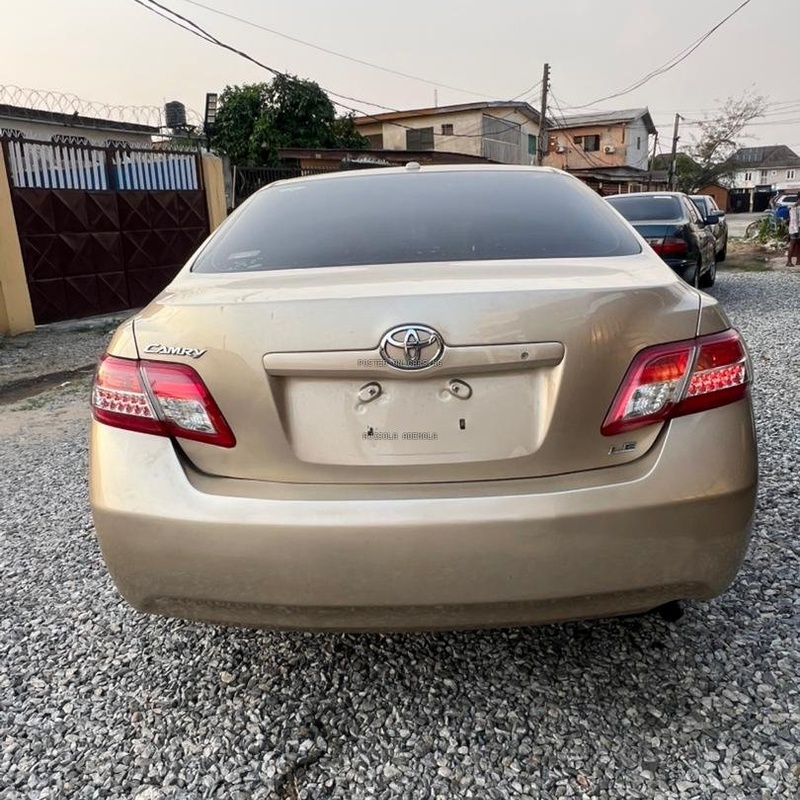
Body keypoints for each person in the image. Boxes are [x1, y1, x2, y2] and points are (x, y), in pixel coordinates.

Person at [787, 198, 800, 267]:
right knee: (793, 244)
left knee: (797, 244)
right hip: (796, 228)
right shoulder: (795, 208)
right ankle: (789, 262)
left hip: (793, 228)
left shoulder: (793, 207)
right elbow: (794, 220)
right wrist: (796, 230)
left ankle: (798, 261)